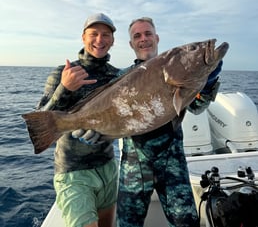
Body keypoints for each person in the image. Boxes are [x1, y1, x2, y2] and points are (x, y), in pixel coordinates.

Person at [116, 17, 222, 227]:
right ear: (131, 44)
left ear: (157, 38)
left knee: (186, 222)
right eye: (137, 36)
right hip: (134, 166)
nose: (143, 39)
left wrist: (206, 84)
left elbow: (197, 108)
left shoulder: (179, 73)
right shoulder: (121, 78)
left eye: (148, 34)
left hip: (172, 163)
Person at [36, 13, 120, 227]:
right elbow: (40, 121)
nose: (99, 40)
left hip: (109, 168)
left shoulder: (117, 76)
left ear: (112, 40)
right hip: (74, 174)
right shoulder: (63, 73)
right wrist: (64, 88)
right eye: (93, 34)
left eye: (105, 35)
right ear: (83, 37)